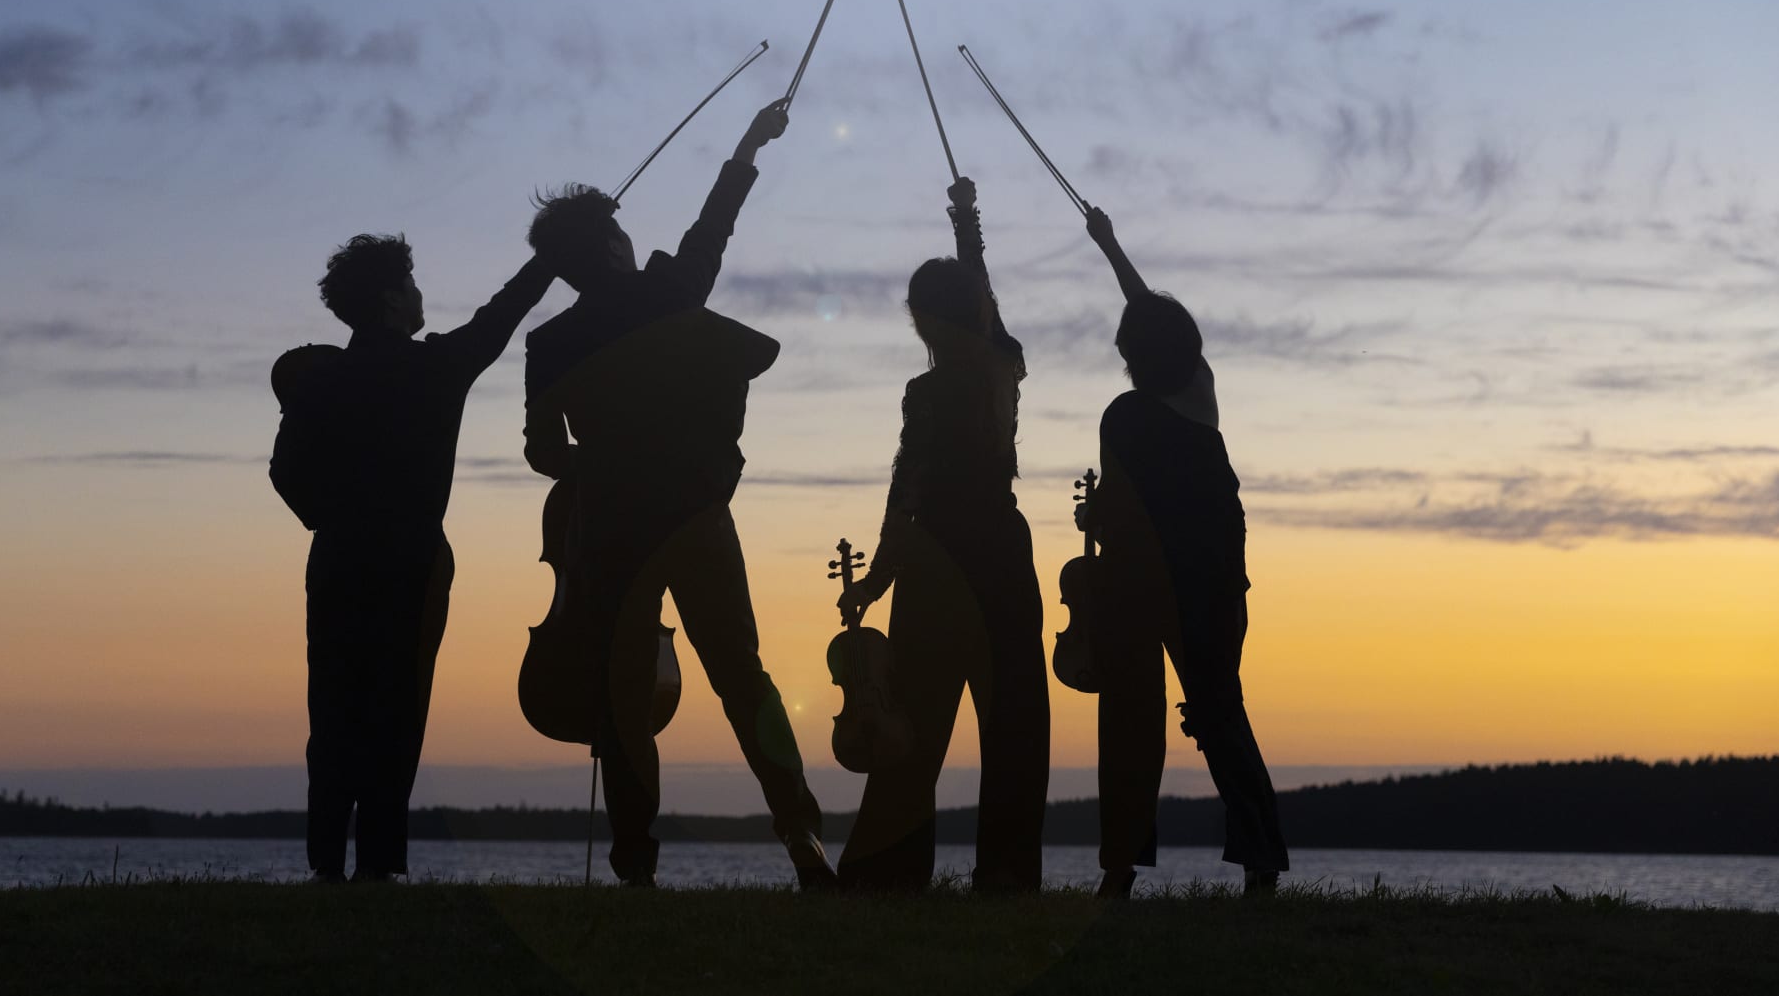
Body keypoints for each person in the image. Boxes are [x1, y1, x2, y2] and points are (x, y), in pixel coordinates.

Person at [521, 99, 833, 889]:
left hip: (614, 533)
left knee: (625, 702)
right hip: (698, 514)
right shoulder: (668, 293)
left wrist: (594, 468)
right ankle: (801, 836)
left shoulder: (548, 342)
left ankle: (634, 866)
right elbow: (712, 225)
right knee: (744, 677)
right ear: (615, 244)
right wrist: (747, 143)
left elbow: (542, 452)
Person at [270, 234, 554, 882]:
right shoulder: (438, 365)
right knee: (397, 709)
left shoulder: (321, 378)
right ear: (396, 299)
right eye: (415, 285)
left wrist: (325, 513)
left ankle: (325, 864)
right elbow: (502, 314)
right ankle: (378, 864)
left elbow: (285, 473)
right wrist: (552, 257)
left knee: (334, 707)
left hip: (337, 556)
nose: (422, 296)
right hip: (414, 560)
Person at [834, 177, 1050, 893]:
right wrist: (966, 221)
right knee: (1014, 720)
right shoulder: (1004, 363)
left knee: (915, 723)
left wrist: (877, 577)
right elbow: (982, 296)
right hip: (1002, 551)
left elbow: (907, 490)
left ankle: (888, 871)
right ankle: (1008, 874)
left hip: (935, 561)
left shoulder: (926, 393)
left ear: (928, 318)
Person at [1078, 206, 1289, 898]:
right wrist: (1110, 245)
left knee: (1133, 724)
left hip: (1148, 589)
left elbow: (1117, 512)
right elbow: (1148, 311)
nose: (1121, 357)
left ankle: (1118, 869)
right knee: (1221, 715)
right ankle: (1261, 862)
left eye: (1126, 350)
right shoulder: (1200, 392)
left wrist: (1094, 516)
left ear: (1139, 357)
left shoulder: (1124, 415)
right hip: (1214, 584)